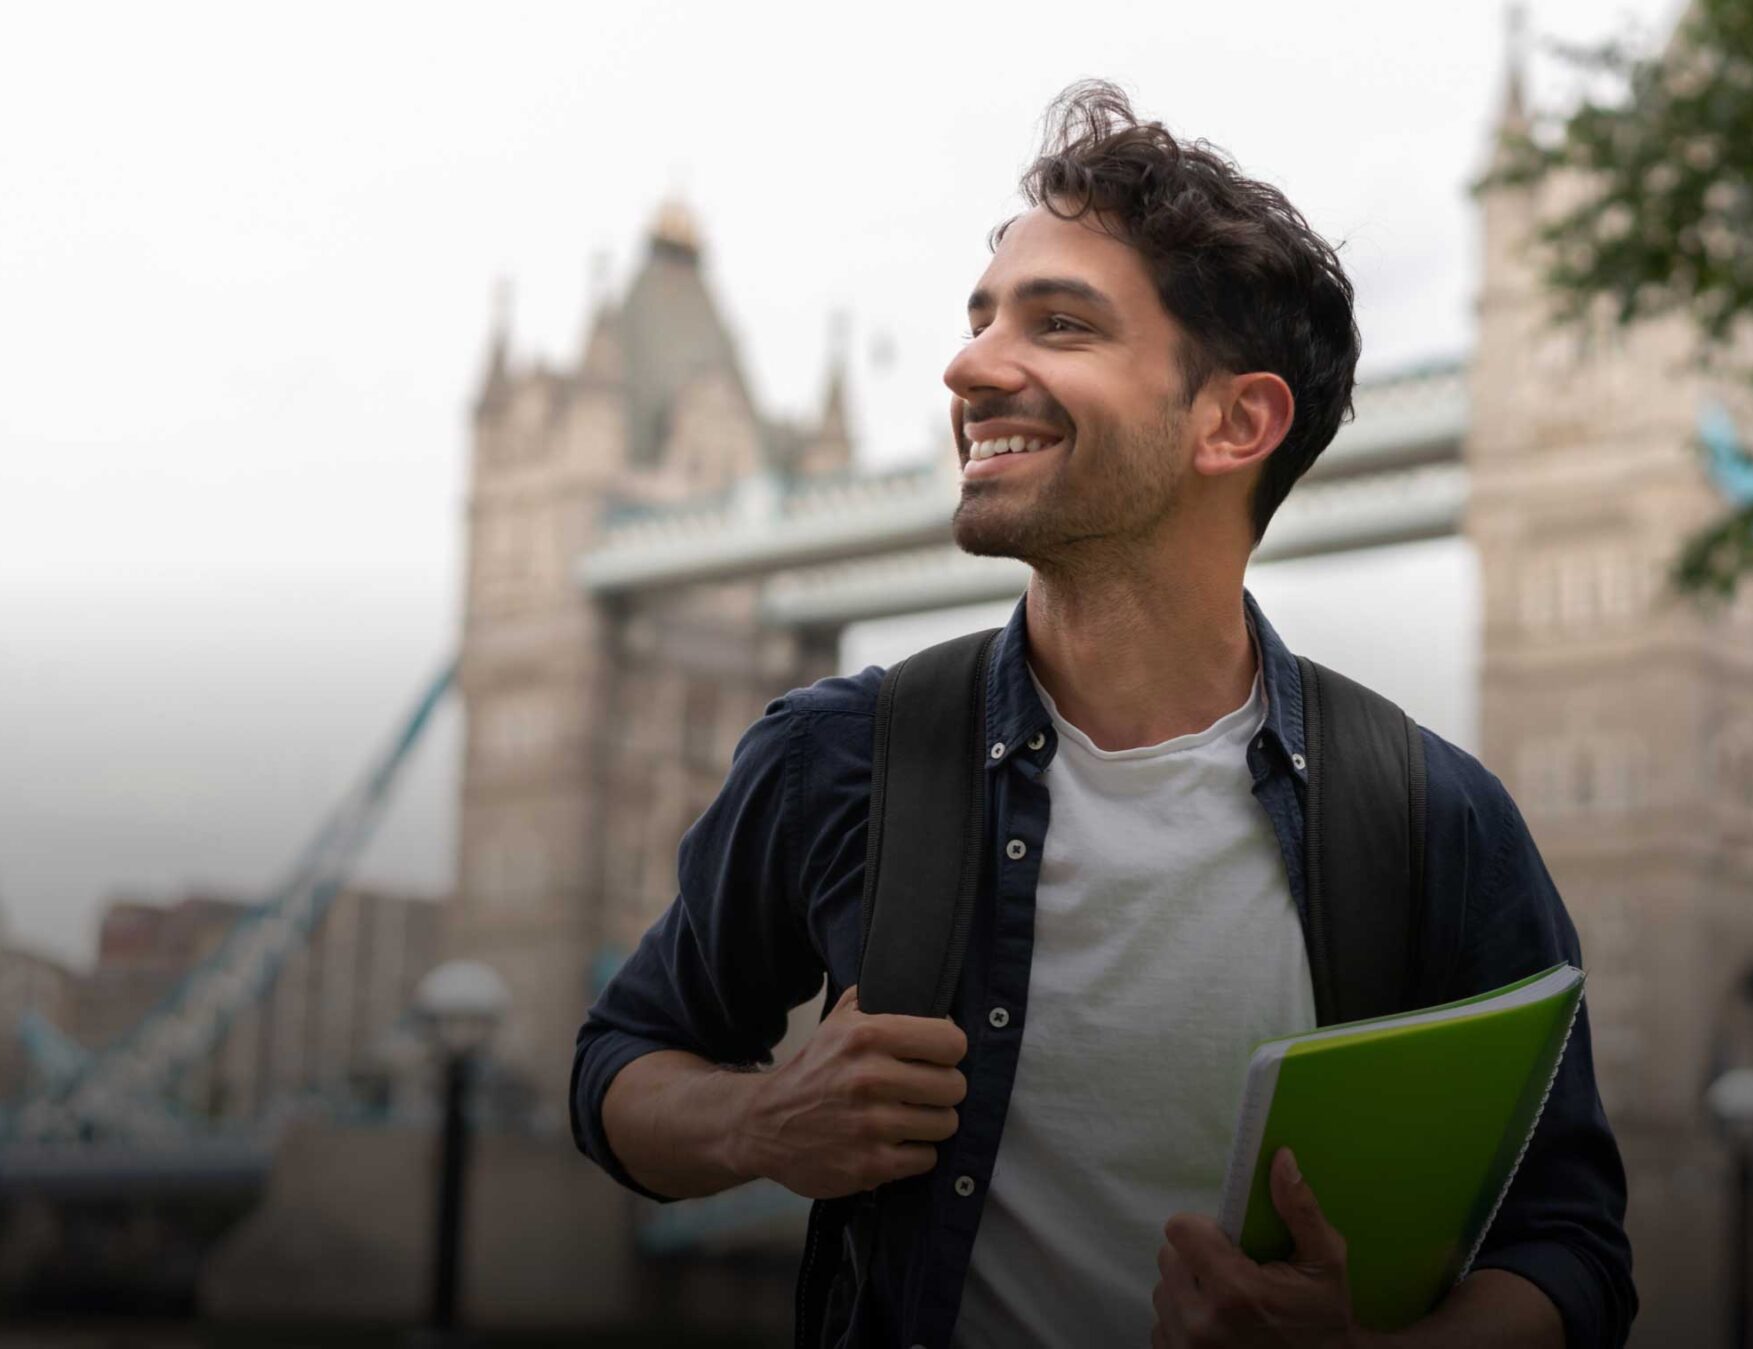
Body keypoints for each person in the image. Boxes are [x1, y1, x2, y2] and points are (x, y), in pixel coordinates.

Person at [571, 81, 1634, 1349]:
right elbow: (621, 1060)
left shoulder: (1433, 814)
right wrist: (758, 1122)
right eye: (979, 320)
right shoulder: (841, 756)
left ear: (1236, 421)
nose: (967, 365)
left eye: (1059, 323)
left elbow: (1567, 1244)